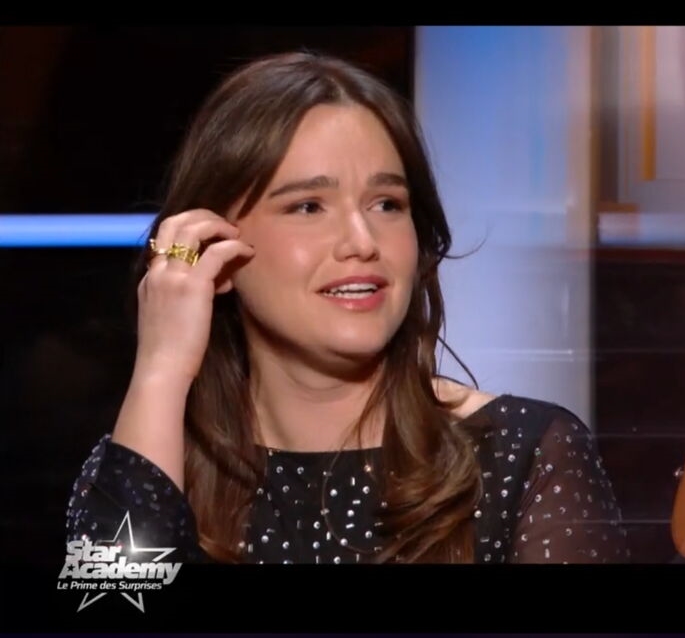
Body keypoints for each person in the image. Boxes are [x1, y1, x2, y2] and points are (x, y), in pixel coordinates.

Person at [64, 51, 630, 564]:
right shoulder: (149, 456)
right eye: (309, 207)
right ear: (218, 248)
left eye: (387, 204)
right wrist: (161, 369)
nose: (362, 241)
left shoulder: (524, 454)